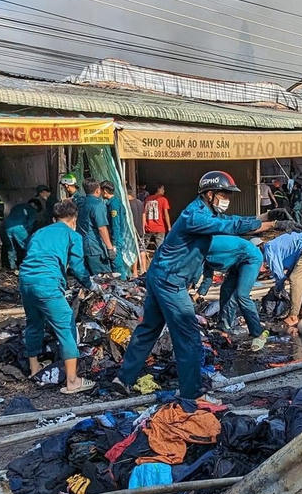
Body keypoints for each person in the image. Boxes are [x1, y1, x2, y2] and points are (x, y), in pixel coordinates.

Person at [112, 171, 281, 400]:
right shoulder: (196, 216)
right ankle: (192, 393)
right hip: (170, 281)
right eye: (224, 194)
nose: (227, 199)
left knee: (149, 329)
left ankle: (123, 379)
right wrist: (271, 223)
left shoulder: (202, 213)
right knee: (188, 334)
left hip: (161, 276)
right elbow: (229, 225)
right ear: (209, 194)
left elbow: (228, 222)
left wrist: (267, 216)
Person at [19, 198, 95, 394]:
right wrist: (91, 284)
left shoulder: (39, 232)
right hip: (48, 285)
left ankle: (34, 368)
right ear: (74, 219)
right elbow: (78, 268)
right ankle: (72, 381)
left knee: (33, 322)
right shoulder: (73, 235)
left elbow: (31, 254)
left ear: (54, 219)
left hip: (26, 281)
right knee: (66, 326)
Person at [197, 234, 269, 350]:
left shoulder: (206, 245)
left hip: (250, 259)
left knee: (241, 295)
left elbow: (193, 273)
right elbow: (207, 275)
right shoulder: (202, 251)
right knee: (225, 290)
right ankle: (224, 328)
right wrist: (199, 293)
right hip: (236, 263)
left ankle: (258, 333)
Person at [261, 227, 302, 329]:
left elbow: (279, 276)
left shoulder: (269, 250)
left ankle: (293, 316)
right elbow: (292, 265)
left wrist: (278, 290)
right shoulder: (274, 246)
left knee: (295, 279)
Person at [76, 179, 116, 276]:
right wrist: (110, 248)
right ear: (98, 190)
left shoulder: (81, 203)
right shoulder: (97, 204)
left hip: (83, 245)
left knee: (89, 280)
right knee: (104, 279)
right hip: (95, 247)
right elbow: (102, 228)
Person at [2, 191, 44, 268]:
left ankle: (12, 266)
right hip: (19, 228)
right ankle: (29, 265)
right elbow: (30, 224)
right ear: (35, 205)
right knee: (27, 246)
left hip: (7, 226)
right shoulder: (32, 209)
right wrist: (29, 234)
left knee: (11, 247)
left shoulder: (17, 206)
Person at [100, 181, 133, 277]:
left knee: (117, 264)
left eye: (101, 191)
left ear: (105, 191)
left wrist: (113, 243)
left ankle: (122, 283)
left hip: (115, 238)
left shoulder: (113, 204)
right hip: (116, 237)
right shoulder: (116, 202)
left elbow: (116, 224)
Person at [142, 182, 172, 248]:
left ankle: (142, 258)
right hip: (160, 227)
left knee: (143, 247)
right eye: (162, 189)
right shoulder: (163, 200)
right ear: (158, 189)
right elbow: (166, 214)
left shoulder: (147, 199)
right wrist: (169, 227)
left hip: (148, 227)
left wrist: (143, 226)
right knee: (160, 247)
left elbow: (144, 213)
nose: (164, 191)